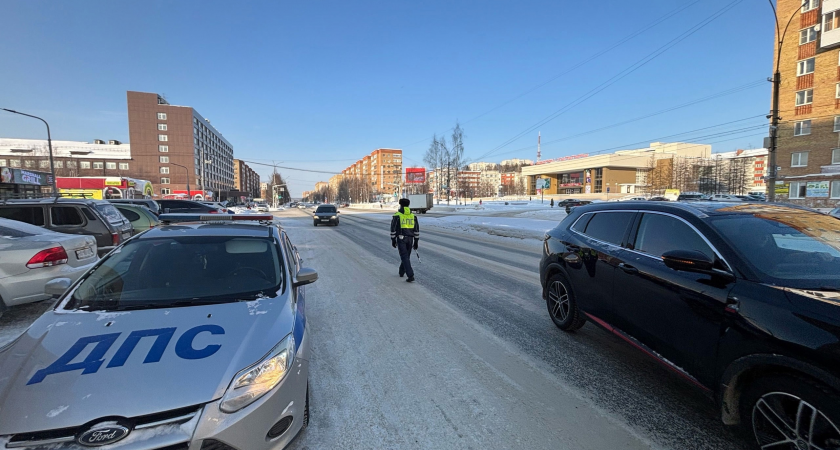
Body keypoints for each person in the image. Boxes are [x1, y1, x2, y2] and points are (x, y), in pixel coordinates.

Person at [391, 198, 420, 282]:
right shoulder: (413, 216)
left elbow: (393, 229)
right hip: (410, 239)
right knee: (406, 256)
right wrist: (416, 241)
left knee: (404, 256)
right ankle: (401, 271)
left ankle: (410, 275)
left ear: (400, 205)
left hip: (401, 238)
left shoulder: (397, 215)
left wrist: (393, 240)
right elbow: (416, 230)